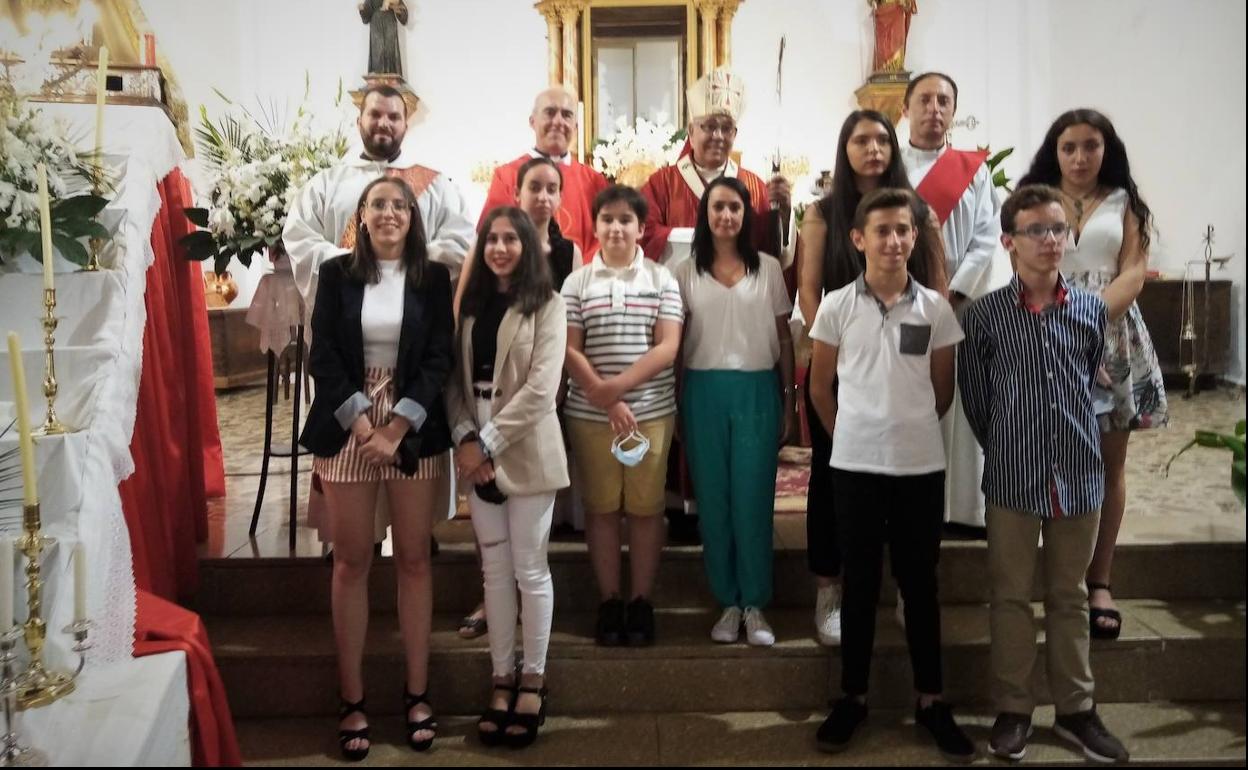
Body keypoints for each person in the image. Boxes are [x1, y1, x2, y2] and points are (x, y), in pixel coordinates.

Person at [959, 184, 1128, 763]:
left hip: (1078, 477)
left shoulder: (1089, 308)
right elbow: (976, 401)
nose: (1052, 240)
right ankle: (1013, 708)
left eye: (1059, 229)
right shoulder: (984, 317)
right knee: (1009, 596)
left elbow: (1094, 384)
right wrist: (1011, 447)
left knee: (1069, 595)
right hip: (1012, 478)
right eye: (1038, 230)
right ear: (1009, 241)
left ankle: (1077, 710)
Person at [808, 188, 972, 761]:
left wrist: (906, 428)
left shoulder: (935, 308)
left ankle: (931, 700)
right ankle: (852, 697)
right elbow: (819, 388)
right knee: (859, 582)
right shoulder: (836, 307)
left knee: (919, 583)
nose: (894, 240)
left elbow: (942, 391)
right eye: (882, 230)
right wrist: (853, 432)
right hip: (854, 466)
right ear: (858, 240)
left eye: (903, 230)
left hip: (918, 465)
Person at [298, 177, 453, 760]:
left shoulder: (432, 277)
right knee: (353, 560)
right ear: (360, 216)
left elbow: (440, 357)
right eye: (378, 205)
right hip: (348, 423)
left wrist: (397, 427)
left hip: (412, 426)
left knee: (414, 559)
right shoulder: (336, 274)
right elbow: (325, 354)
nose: (389, 214)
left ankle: (417, 692)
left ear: (413, 218)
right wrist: (364, 424)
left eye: (400, 206)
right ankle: (353, 697)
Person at [284, 83, 473, 547]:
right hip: (352, 353)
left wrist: (401, 258)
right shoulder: (326, 183)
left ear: (406, 123)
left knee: (416, 545)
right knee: (351, 548)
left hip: (410, 356)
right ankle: (353, 544)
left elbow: (462, 242)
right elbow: (300, 239)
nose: (384, 123)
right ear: (360, 120)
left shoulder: (434, 183)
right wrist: (352, 264)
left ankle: (415, 536)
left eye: (393, 116)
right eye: (376, 115)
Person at [796, 109, 948, 646]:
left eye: (883, 138)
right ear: (846, 148)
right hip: (842, 353)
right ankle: (830, 588)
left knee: (909, 482)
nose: (874, 148)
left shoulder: (917, 211)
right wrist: (829, 349)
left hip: (906, 355)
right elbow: (809, 289)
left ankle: (909, 587)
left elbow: (937, 284)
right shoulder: (821, 213)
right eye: (861, 139)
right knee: (831, 476)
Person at [1019, 108, 1167, 641]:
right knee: (1042, 455)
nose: (1080, 157)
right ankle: (1052, 578)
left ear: (1107, 149)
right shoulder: (1034, 196)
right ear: (1054, 151)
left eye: (1091, 146)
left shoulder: (1126, 202)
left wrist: (1088, 316)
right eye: (1069, 147)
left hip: (1109, 334)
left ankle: (1099, 580)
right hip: (1041, 328)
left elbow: (1133, 270)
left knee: (1109, 462)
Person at [639, 66, 794, 544]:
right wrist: (691, 240)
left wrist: (784, 212)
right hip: (680, 318)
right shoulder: (662, 183)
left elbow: (771, 254)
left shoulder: (750, 182)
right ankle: (685, 514)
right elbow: (644, 236)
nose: (717, 135)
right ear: (692, 130)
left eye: (726, 127)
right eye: (709, 125)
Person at [447, 207, 568, 749]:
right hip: (476, 442)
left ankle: (534, 677)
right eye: (491, 239)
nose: (499, 248)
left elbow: (543, 390)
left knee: (528, 568)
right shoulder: (470, 308)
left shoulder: (547, 304)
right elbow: (453, 381)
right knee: (494, 572)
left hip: (525, 449)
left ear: (526, 246)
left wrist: (487, 445)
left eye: (509, 240)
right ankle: (501, 675)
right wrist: (465, 439)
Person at [453, 155, 583, 639]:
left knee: (529, 554)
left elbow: (550, 365)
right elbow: (458, 360)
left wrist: (486, 440)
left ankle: (532, 662)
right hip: (481, 415)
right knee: (495, 554)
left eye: (553, 188)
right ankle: (498, 640)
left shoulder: (558, 277)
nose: (544, 196)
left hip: (532, 408)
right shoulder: (480, 279)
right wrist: (469, 437)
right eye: (535, 187)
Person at [674, 176, 795, 647]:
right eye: (718, 207)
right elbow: (678, 344)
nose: (726, 216)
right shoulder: (685, 272)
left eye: (735, 208)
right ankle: (727, 600)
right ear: (705, 213)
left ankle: (755, 604)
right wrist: (678, 403)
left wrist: (789, 398)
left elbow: (784, 338)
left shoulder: (765, 269)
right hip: (703, 391)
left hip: (756, 390)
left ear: (747, 216)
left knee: (753, 499)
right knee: (715, 501)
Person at [562, 185, 682, 647]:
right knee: (602, 508)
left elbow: (668, 346)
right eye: (607, 219)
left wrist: (618, 389)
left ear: (640, 228)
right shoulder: (577, 283)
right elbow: (570, 348)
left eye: (625, 220)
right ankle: (610, 599)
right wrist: (605, 398)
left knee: (647, 508)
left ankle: (641, 600)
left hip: (650, 413)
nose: (616, 227)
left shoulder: (660, 279)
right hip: (591, 414)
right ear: (596, 224)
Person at [901, 71, 1002, 533]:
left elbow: (985, 240)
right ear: (906, 108)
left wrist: (952, 292)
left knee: (960, 399)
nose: (934, 109)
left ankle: (962, 508)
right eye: (925, 99)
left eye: (944, 101)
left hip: (960, 302)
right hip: (903, 301)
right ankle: (913, 502)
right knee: (912, 395)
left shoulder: (973, 170)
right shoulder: (891, 169)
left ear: (954, 112)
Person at [478, 87, 608, 257]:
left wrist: (578, 276)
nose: (558, 121)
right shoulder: (507, 176)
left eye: (566, 115)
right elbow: (492, 237)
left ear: (575, 127)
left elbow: (605, 237)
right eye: (550, 112)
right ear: (532, 121)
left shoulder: (595, 181)